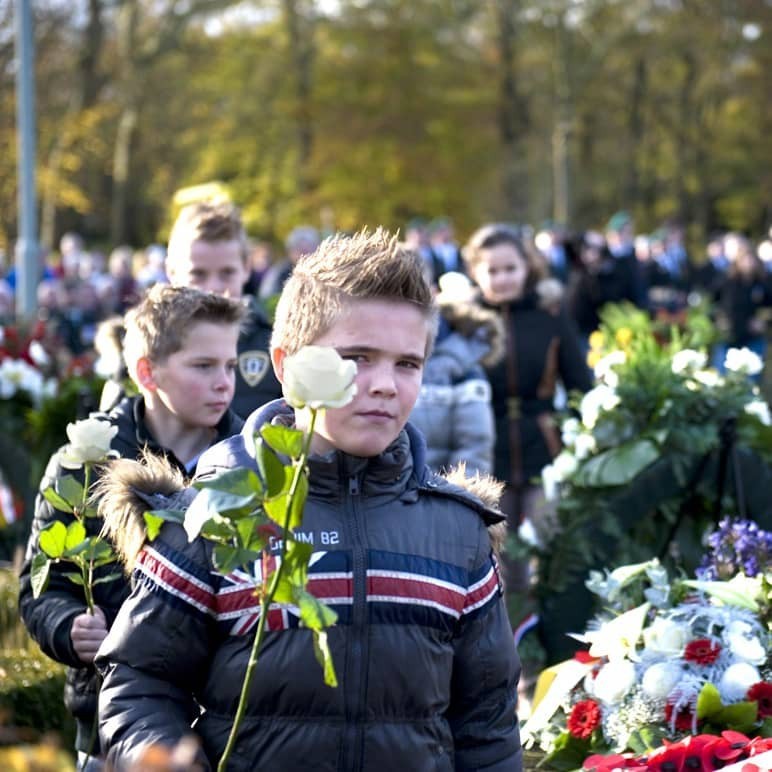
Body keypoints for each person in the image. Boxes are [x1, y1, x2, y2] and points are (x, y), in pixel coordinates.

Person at [94, 228, 522, 771]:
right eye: (357, 358)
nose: (385, 384)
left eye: (407, 364)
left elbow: (487, 725)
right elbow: (140, 685)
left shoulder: (456, 533)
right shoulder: (211, 515)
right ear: (285, 365)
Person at [18, 285, 246, 771]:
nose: (224, 383)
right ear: (147, 372)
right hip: (111, 728)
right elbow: (41, 587)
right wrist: (68, 626)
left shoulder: (251, 462)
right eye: (203, 366)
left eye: (230, 366)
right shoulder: (86, 463)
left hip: (228, 726)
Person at [462, 223, 592, 710]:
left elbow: (581, 384)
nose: (502, 278)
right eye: (492, 271)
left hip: (544, 451)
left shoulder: (550, 317)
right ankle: (505, 673)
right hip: (485, 454)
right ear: (476, 273)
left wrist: (579, 436)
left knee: (549, 558)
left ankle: (559, 664)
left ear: (526, 268)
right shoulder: (466, 325)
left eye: (510, 268)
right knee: (499, 568)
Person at [102, 201, 283, 419]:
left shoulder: (274, 347)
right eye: (198, 274)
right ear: (171, 271)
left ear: (246, 268)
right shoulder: (146, 349)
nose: (213, 288)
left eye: (227, 273)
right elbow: (115, 430)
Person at [409, 270, 504, 477]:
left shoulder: (461, 359)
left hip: (435, 490)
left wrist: (450, 494)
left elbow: (474, 447)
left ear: (433, 292)